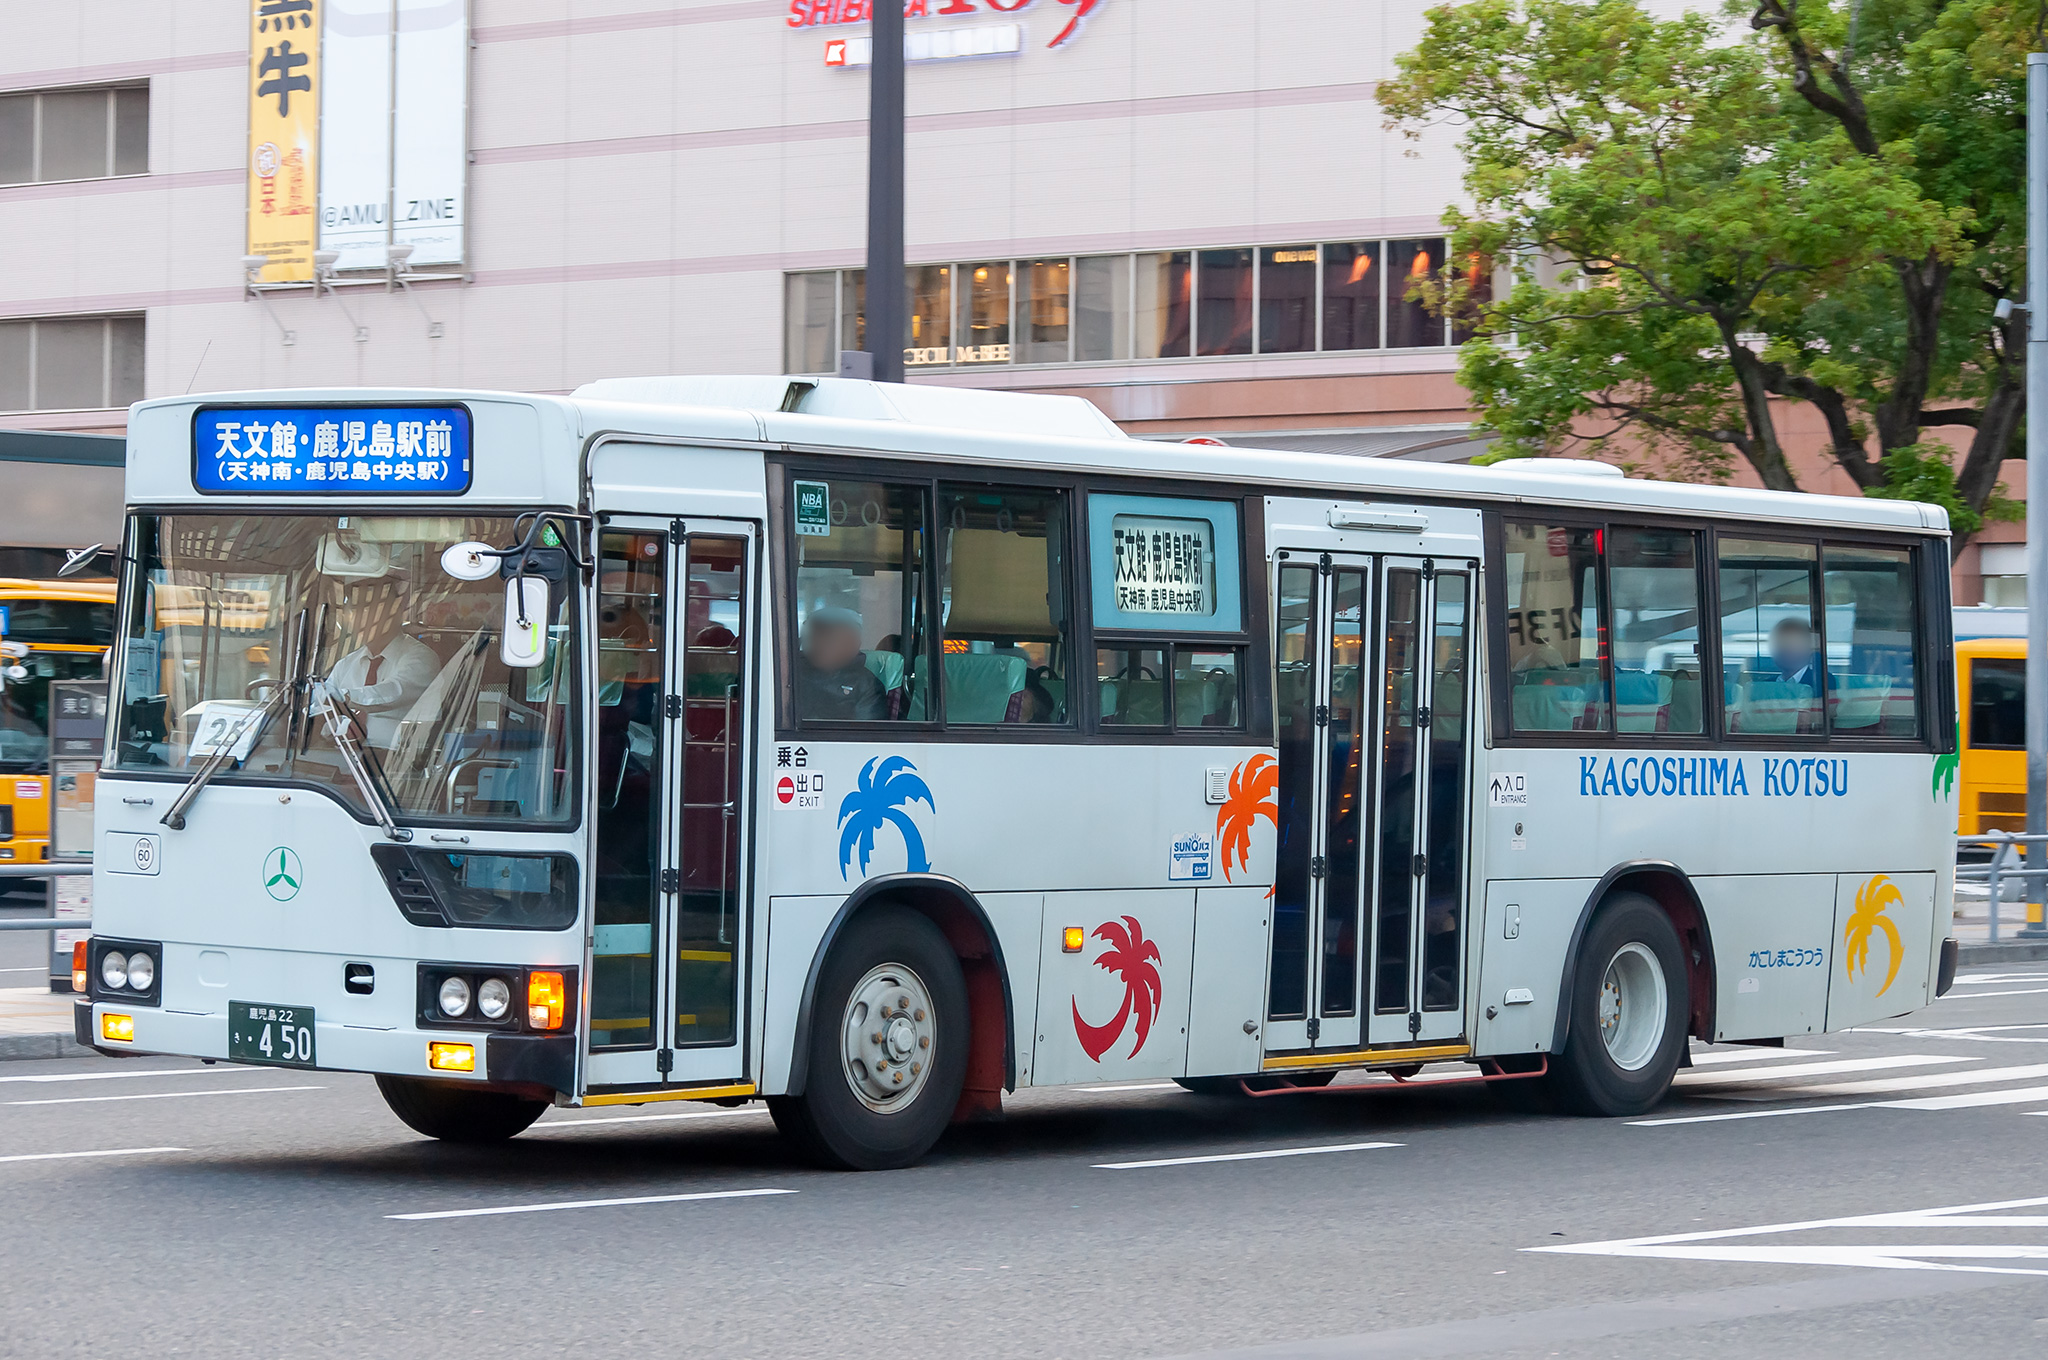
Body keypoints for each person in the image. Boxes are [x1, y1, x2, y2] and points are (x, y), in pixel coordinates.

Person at [323, 623, 440, 748]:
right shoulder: (346, 664)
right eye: (355, 615)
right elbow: (321, 704)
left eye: (370, 613)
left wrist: (345, 697)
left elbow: (395, 691)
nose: (360, 621)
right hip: (343, 753)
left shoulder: (422, 657)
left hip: (400, 756)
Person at [796, 607, 885, 721]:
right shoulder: (789, 671)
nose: (818, 643)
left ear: (852, 644)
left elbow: (865, 730)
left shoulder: (867, 685)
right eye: (812, 636)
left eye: (829, 637)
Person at [1769, 617, 1828, 693]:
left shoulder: (1822, 681)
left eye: (1793, 642)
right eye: (1780, 642)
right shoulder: (1766, 685)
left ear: (1809, 648)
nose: (1785, 648)